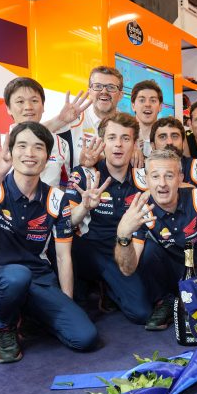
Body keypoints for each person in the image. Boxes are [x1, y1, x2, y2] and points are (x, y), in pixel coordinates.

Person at [0, 121, 98, 363]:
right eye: (22, 146)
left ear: (47, 157)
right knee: (16, 276)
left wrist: (65, 304)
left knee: (85, 338)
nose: (29, 153)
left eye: (38, 147)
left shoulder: (57, 198)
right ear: (11, 152)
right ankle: (4, 327)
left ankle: (29, 315)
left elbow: (62, 255)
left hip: (39, 279)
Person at [114, 148, 197, 330]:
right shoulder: (140, 208)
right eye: (155, 176)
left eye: (169, 176)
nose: (162, 184)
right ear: (146, 180)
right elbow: (128, 269)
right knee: (148, 251)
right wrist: (124, 235)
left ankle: (185, 299)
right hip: (169, 270)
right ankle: (166, 300)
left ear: (180, 178)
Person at [65, 112, 152, 324]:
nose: (118, 145)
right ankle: (86, 285)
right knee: (62, 244)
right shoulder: (84, 173)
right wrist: (84, 207)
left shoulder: (144, 178)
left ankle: (108, 285)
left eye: (125, 138)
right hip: (87, 248)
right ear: (102, 142)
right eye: (112, 138)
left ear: (135, 144)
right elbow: (67, 222)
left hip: (124, 248)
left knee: (141, 314)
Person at [0, 77, 71, 193]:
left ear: (43, 106)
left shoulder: (61, 144)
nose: (28, 107)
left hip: (49, 210)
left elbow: (65, 186)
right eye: (20, 101)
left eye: (34, 101)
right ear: (8, 109)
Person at [51, 66, 125, 166]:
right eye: (98, 86)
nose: (104, 91)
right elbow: (32, 135)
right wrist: (59, 121)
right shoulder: (72, 120)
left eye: (111, 87)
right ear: (89, 91)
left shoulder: (129, 126)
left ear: (120, 95)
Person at [130, 79, 163, 158]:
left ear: (160, 107)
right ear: (133, 106)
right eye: (142, 100)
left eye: (153, 100)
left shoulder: (167, 138)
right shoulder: (122, 136)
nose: (147, 104)